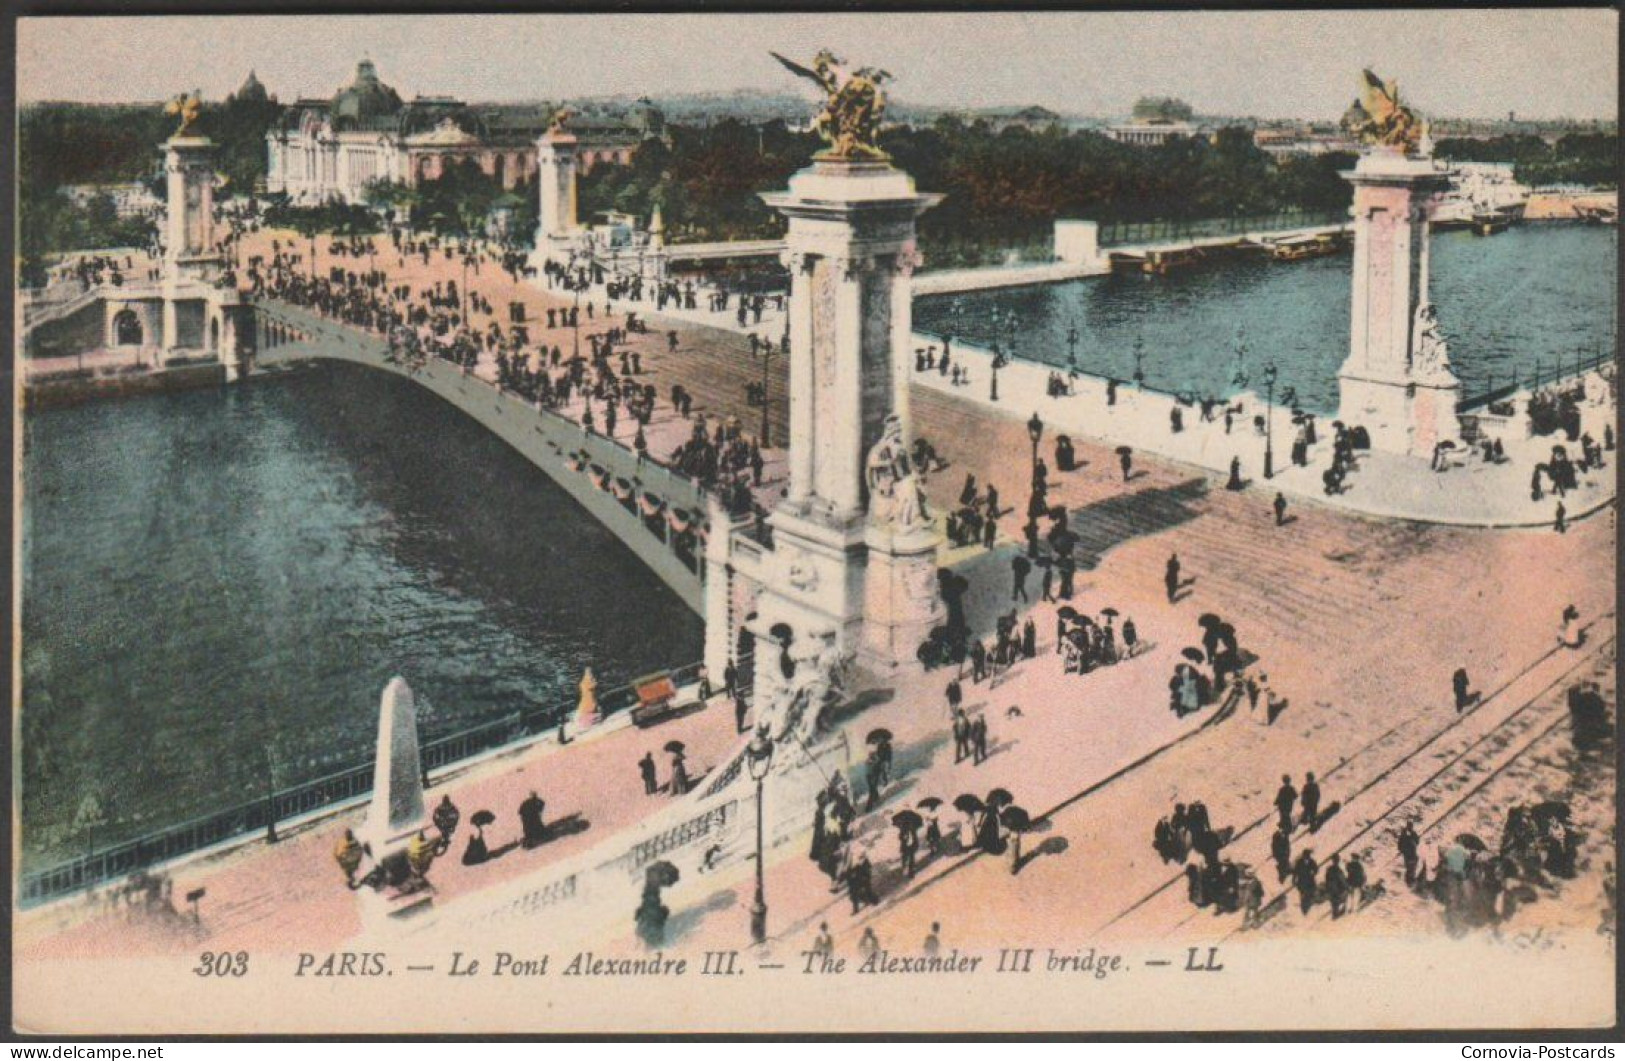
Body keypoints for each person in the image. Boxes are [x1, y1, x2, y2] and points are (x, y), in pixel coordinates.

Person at [1292, 849, 1319, 915]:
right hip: (1302, 882)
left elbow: (1316, 869)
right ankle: (1304, 908)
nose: (1307, 857)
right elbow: (1295, 871)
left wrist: (1313, 872)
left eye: (1308, 856)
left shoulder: (1312, 861)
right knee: (1303, 895)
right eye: (1306, 856)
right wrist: (1294, 879)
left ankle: (1307, 907)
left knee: (1309, 895)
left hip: (1310, 882)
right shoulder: (1299, 862)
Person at [1398, 821, 1421, 886]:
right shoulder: (1412, 871)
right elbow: (1415, 859)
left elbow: (1415, 859)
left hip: (1409, 848)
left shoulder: (1412, 870)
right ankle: (1407, 829)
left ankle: (1407, 829)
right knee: (1404, 845)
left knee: (1404, 845)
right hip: (1409, 848)